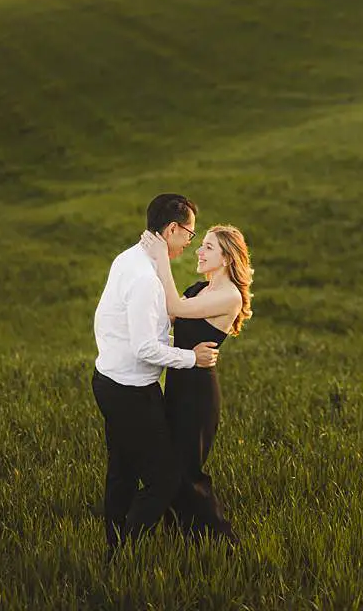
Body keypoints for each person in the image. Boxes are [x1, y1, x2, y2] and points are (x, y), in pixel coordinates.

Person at [91, 194, 218, 555]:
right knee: (165, 478)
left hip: (109, 380)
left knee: (123, 468)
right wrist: (191, 358)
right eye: (189, 235)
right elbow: (145, 348)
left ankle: (114, 545)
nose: (189, 244)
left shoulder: (128, 257)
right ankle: (126, 550)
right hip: (131, 391)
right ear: (172, 229)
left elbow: (110, 320)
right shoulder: (146, 279)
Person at [141, 223, 253, 542]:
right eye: (200, 244)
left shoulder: (228, 296)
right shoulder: (198, 289)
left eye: (208, 247)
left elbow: (174, 308)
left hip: (198, 395)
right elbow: (168, 316)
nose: (199, 252)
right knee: (171, 468)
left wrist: (161, 255)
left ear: (228, 257)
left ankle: (223, 542)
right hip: (177, 386)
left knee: (188, 472)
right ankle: (183, 536)